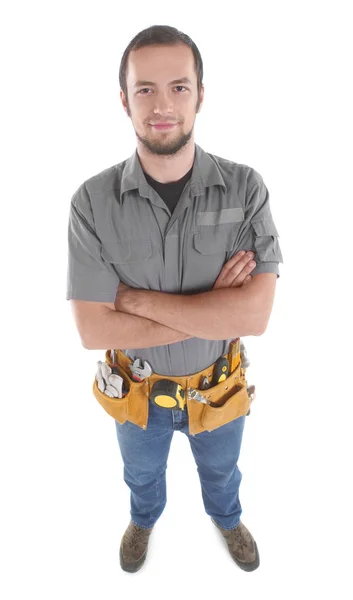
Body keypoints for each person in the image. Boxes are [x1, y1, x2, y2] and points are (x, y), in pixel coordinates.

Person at [66, 24, 283, 574]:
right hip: (137, 394)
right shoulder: (91, 203)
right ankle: (145, 519)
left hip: (219, 389)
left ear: (201, 94)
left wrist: (133, 300)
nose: (162, 105)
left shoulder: (246, 189)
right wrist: (215, 306)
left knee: (222, 472)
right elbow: (94, 331)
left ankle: (227, 519)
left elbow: (254, 317)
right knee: (140, 475)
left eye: (179, 87)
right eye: (145, 89)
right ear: (124, 99)